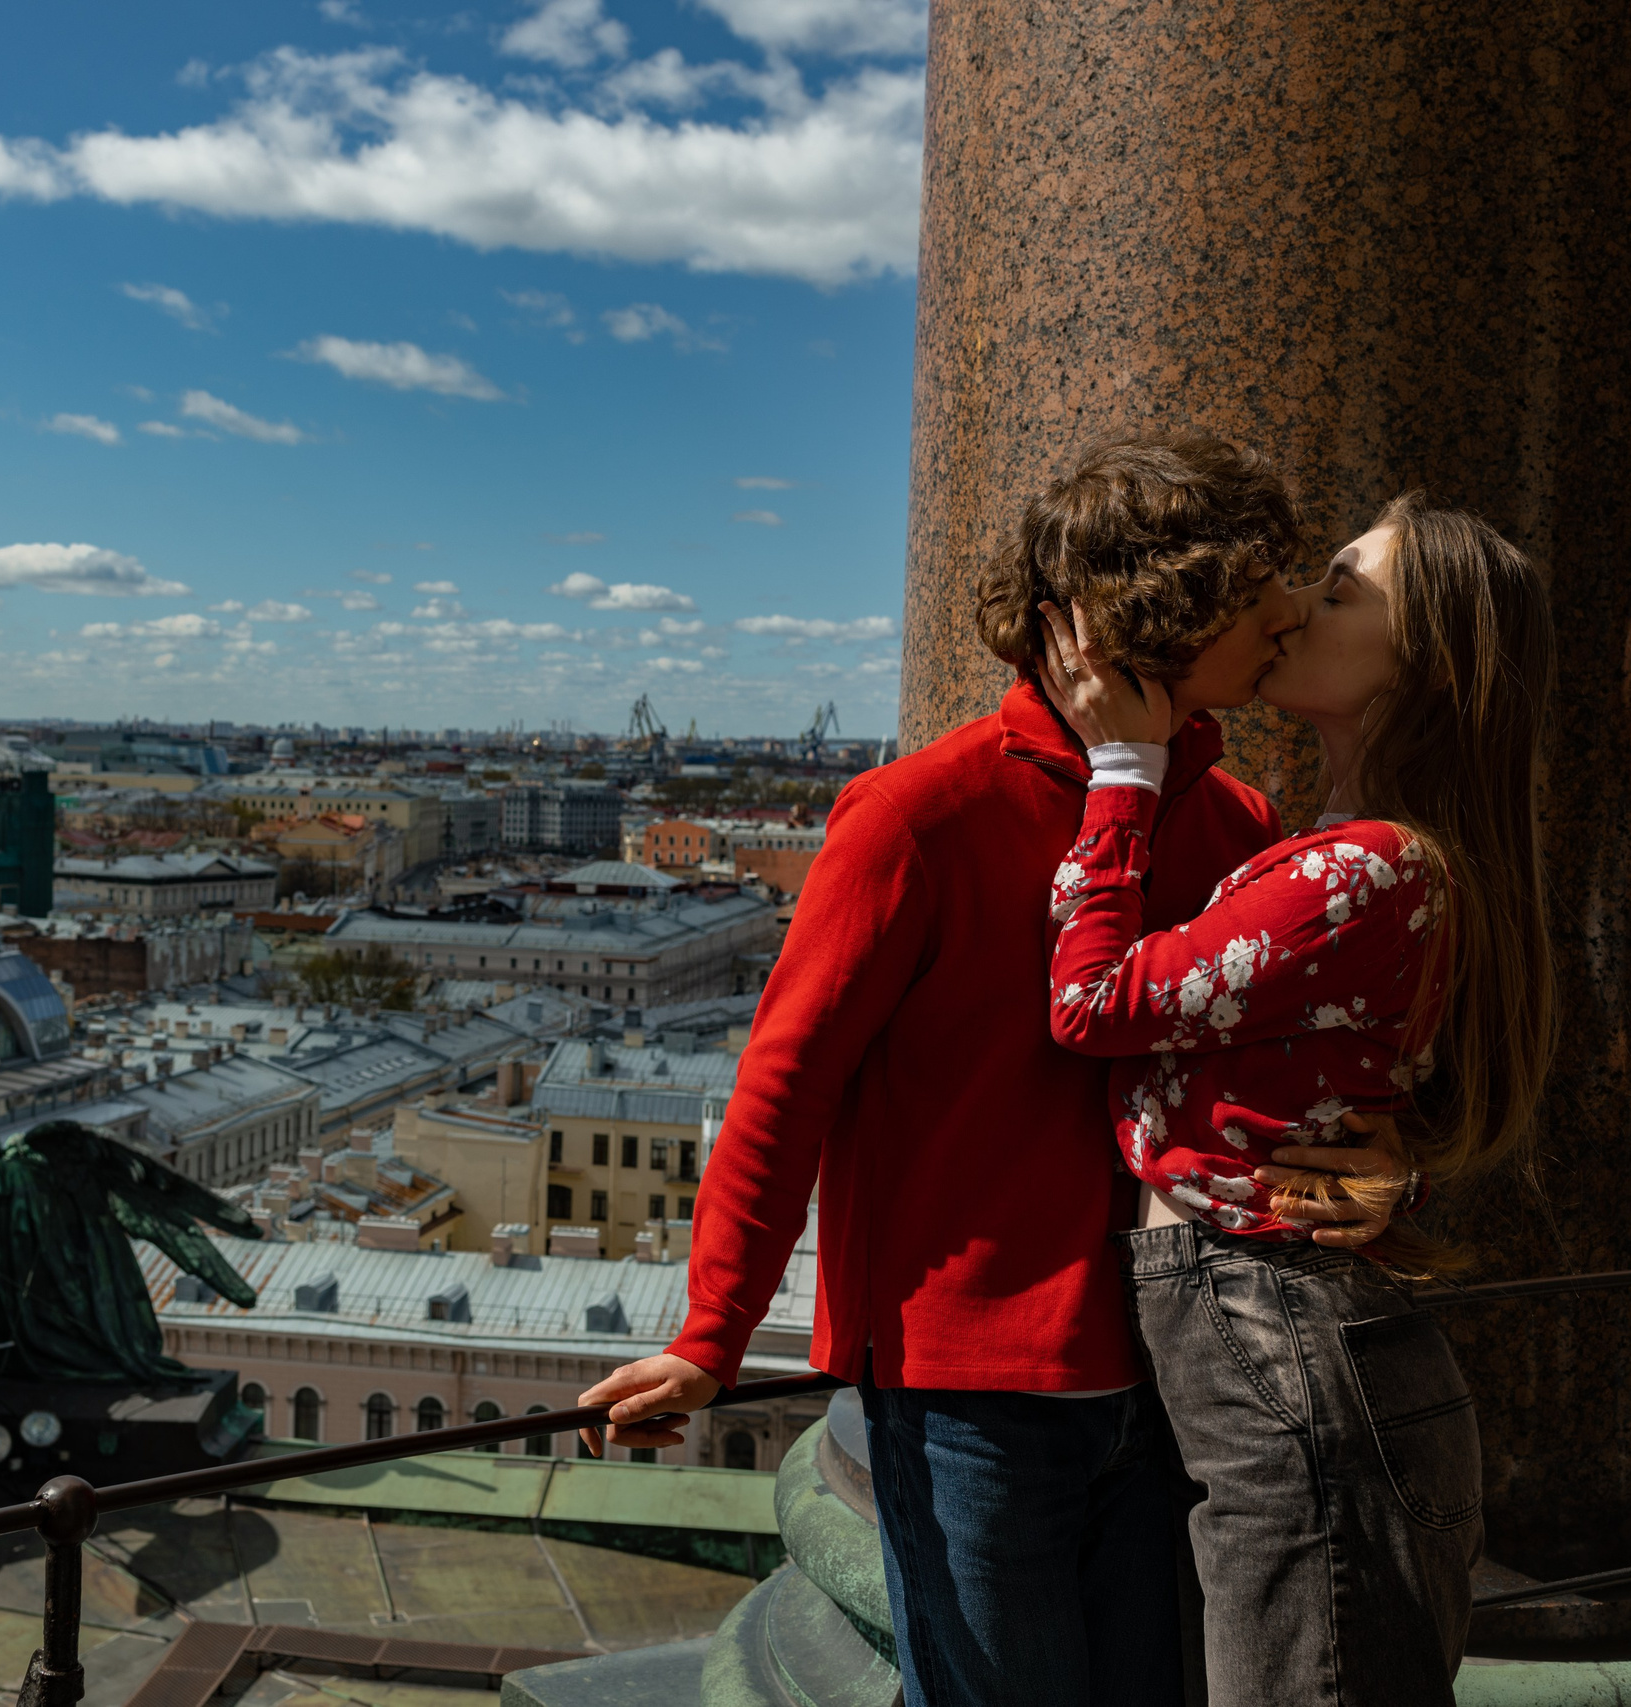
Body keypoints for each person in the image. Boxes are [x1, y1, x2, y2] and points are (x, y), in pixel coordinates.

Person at [579, 431, 1410, 1707]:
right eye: (1259, 590)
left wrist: (1383, 1151)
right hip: (970, 1396)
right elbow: (782, 1092)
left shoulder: (1233, 820)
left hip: (1177, 1367)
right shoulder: (913, 816)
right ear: (1164, 613)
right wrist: (712, 1334)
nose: (1290, 611)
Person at [1034, 493, 1554, 1706]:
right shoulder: (1366, 850)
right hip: (1296, 1339)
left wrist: (1122, 771)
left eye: (1336, 589)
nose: (1286, 609)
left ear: (1424, 663)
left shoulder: (1364, 864)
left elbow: (1093, 1003)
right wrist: (1398, 1170)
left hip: (1276, 1332)